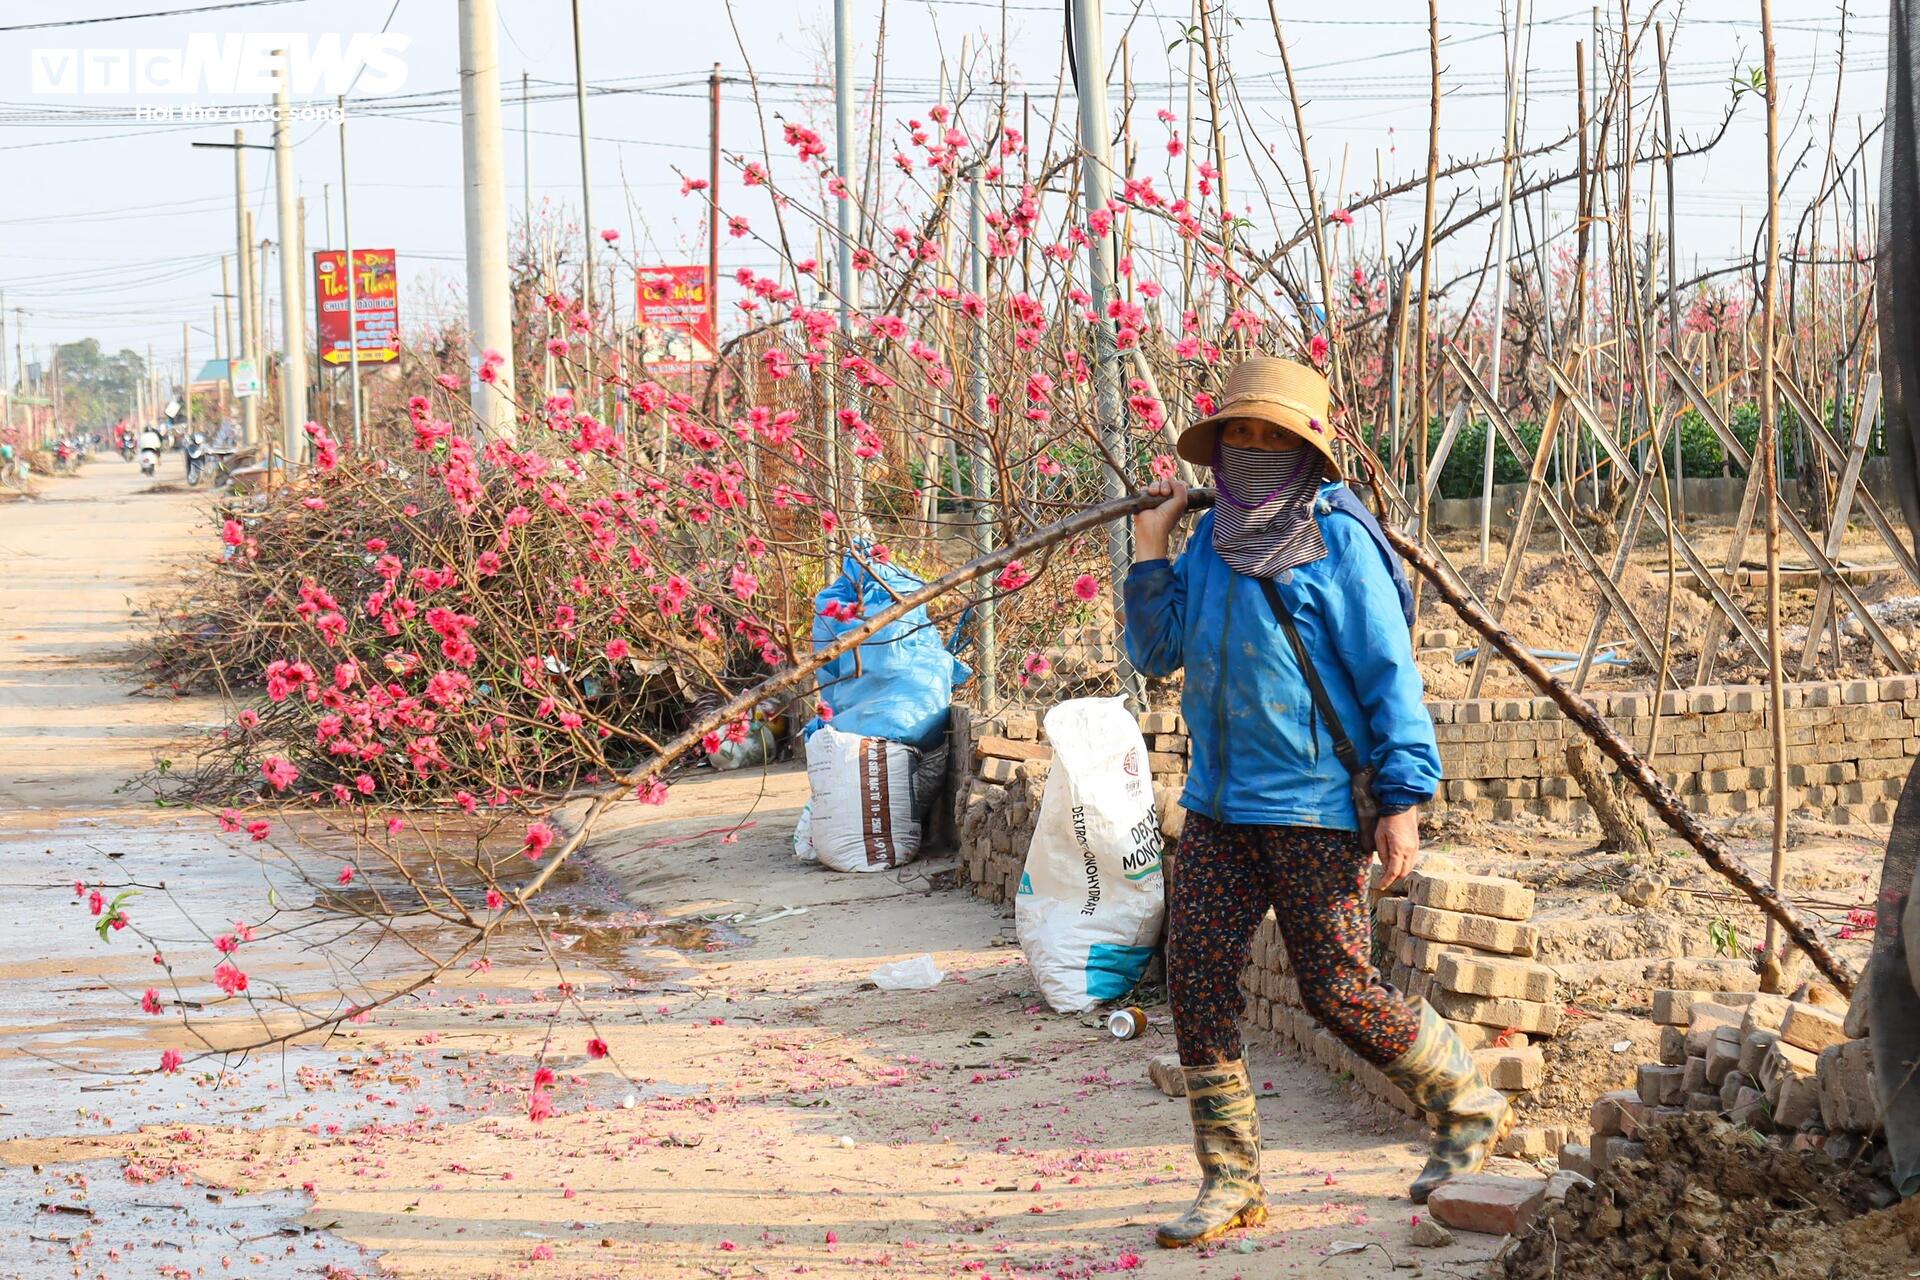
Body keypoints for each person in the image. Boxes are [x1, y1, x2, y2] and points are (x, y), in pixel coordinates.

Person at [1124, 354, 1510, 1249]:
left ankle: (1462, 1097)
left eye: (1272, 433)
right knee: (1196, 978)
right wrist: (1151, 553)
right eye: (1239, 433)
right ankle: (1231, 1180)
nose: (1253, 448)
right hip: (1220, 804)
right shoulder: (1209, 540)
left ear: (1305, 448)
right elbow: (1159, 651)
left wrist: (1404, 799)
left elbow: (1389, 677)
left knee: (1336, 991)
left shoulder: (1338, 541)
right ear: (1218, 446)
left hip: (1313, 808)